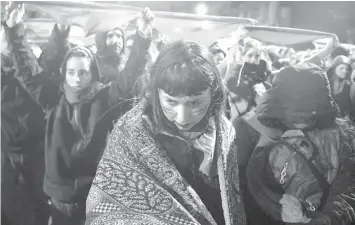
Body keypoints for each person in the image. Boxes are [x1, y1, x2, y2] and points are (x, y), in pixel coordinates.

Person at [5, 4, 154, 225]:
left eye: (83, 72)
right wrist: (14, 28)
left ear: (92, 72)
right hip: (61, 199)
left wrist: (142, 37)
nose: (76, 79)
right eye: (71, 72)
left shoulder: (105, 99)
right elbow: (28, 69)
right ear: (64, 73)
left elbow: (130, 76)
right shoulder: (52, 98)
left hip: (96, 195)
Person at [86, 40, 246, 225]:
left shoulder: (224, 132)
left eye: (195, 103)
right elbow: (107, 210)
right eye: (171, 102)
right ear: (156, 92)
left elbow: (232, 202)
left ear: (214, 93)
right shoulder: (130, 135)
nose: (182, 117)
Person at [234, 62, 355, 225]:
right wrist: (279, 209)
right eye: (296, 114)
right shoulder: (249, 128)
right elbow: (238, 188)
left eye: (311, 112)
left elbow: (347, 185)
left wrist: (326, 219)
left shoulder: (339, 132)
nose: (303, 120)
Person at [1, 4, 49, 225]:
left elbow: (32, 73)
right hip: (6, 149)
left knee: (38, 201)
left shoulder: (30, 63)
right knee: (7, 202)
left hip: (36, 148)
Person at [327, 55, 355, 120]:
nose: (345, 71)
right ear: (334, 69)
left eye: (347, 69)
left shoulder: (350, 86)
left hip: (346, 123)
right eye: (341, 68)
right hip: (328, 121)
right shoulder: (327, 83)